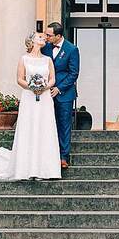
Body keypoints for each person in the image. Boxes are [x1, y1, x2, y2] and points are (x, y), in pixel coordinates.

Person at [0, 32, 61, 180]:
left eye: (43, 37)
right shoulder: (24, 59)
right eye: (39, 37)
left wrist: (43, 87)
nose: (43, 38)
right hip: (29, 97)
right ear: (32, 41)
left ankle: (45, 169)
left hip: (45, 98)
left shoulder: (48, 59)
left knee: (44, 127)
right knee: (29, 127)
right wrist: (32, 86)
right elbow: (19, 79)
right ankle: (26, 168)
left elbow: (52, 79)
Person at [43, 22, 80, 169]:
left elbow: (74, 73)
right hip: (45, 93)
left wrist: (59, 88)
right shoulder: (44, 47)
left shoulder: (72, 49)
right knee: (48, 124)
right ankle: (47, 155)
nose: (46, 37)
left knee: (64, 125)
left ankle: (63, 157)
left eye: (49, 35)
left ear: (58, 36)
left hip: (64, 94)